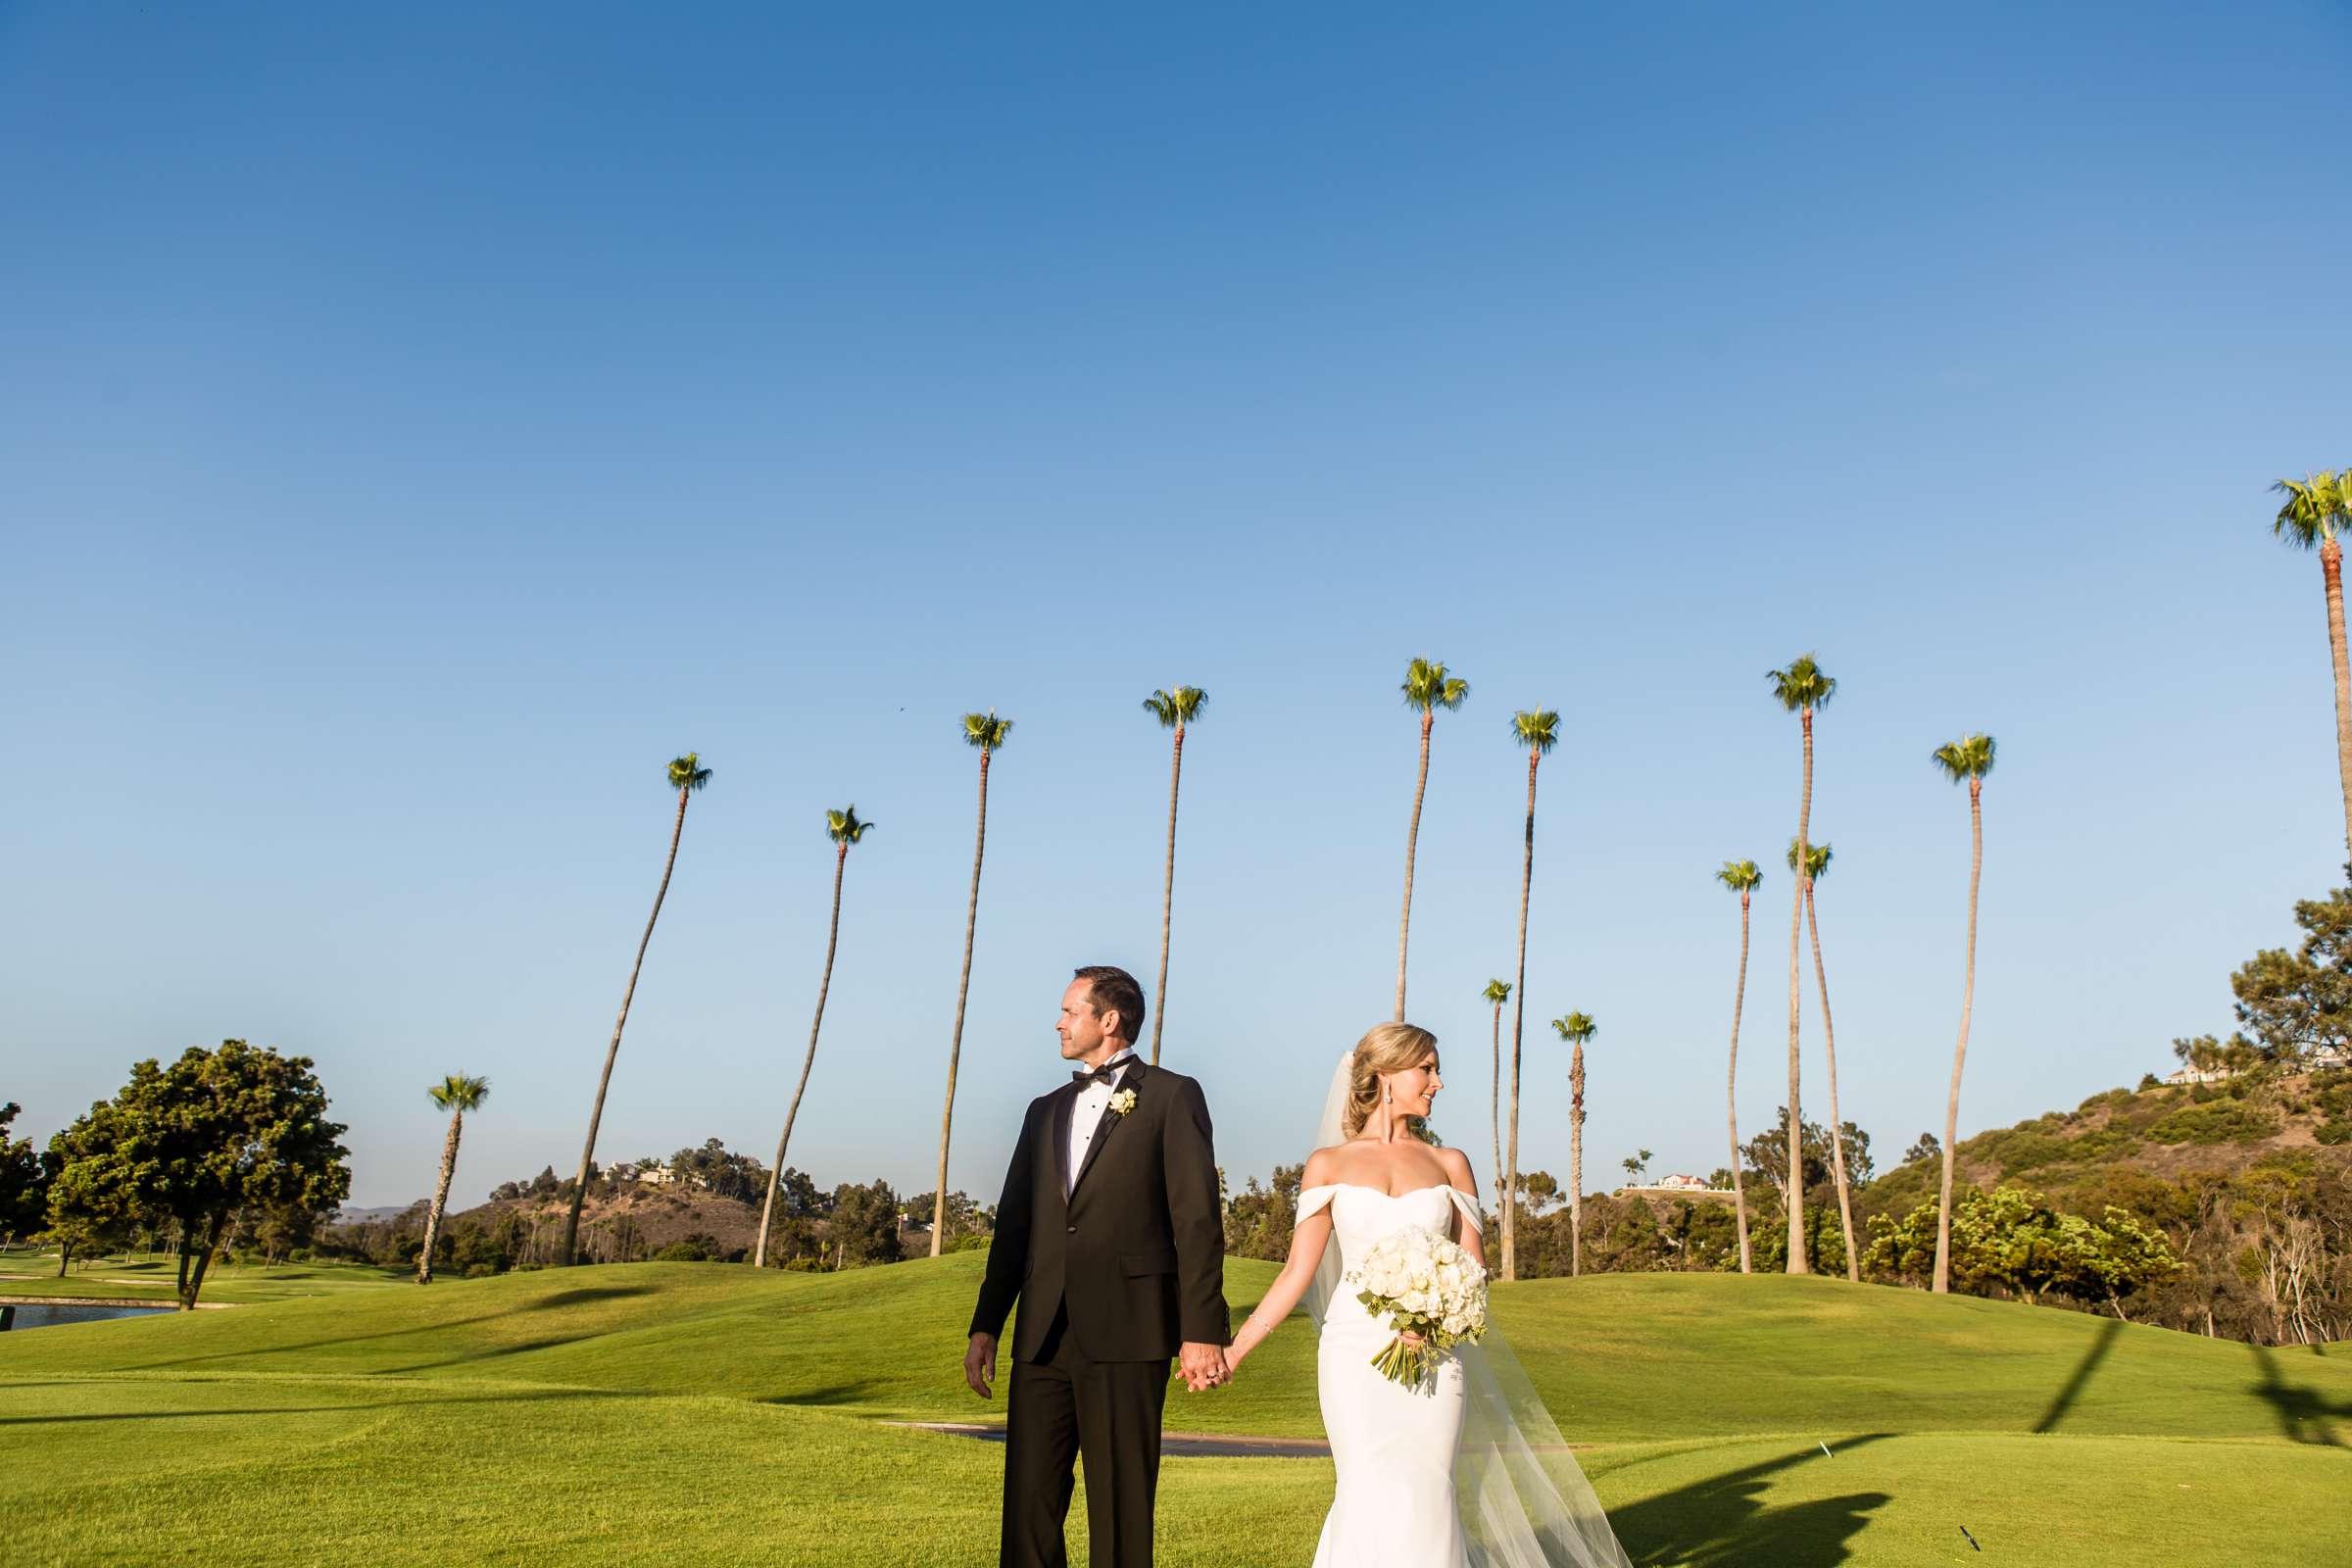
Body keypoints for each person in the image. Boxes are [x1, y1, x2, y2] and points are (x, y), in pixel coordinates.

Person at [1224, 1022, 1634, 1568]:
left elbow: (1475, 1272)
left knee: (1429, 1490)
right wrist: (1235, 1350)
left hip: (1437, 1356)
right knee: (1363, 1489)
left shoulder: (1451, 1164)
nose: (1438, 1082)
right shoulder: (1329, 1164)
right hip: (1352, 1354)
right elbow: (1297, 1273)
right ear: (1387, 1076)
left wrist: (1434, 1318)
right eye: (1429, 1068)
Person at [964, 964, 1229, 1568]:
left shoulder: (1172, 1095)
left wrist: (1202, 1331)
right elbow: (1014, 1229)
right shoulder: (1042, 1111)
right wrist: (986, 1326)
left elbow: (1196, 1222)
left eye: (1069, 1011)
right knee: (1028, 1507)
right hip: (1042, 1336)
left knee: (1120, 1509)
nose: (1058, 1023)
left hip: (1128, 1330)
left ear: (1108, 1021)